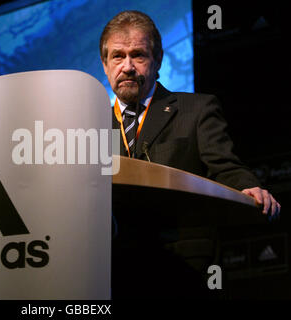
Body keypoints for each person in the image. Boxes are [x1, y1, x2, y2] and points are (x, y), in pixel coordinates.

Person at [101, 10, 281, 298]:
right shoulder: (90, 124)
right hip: (110, 268)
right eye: (118, 57)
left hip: (181, 263)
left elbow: (224, 166)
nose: (128, 66)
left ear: (157, 61)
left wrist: (248, 186)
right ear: (105, 64)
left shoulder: (197, 110)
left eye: (138, 55)